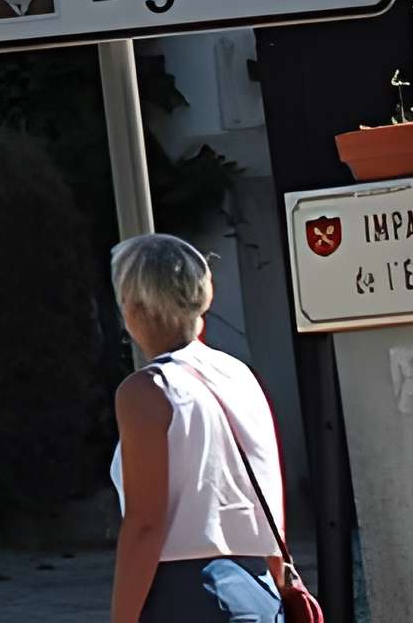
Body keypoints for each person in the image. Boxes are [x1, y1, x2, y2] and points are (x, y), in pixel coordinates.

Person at [110, 232, 291, 623]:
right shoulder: (239, 375)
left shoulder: (147, 390)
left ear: (136, 306)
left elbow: (145, 524)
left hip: (187, 594)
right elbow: (268, 491)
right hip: (260, 589)